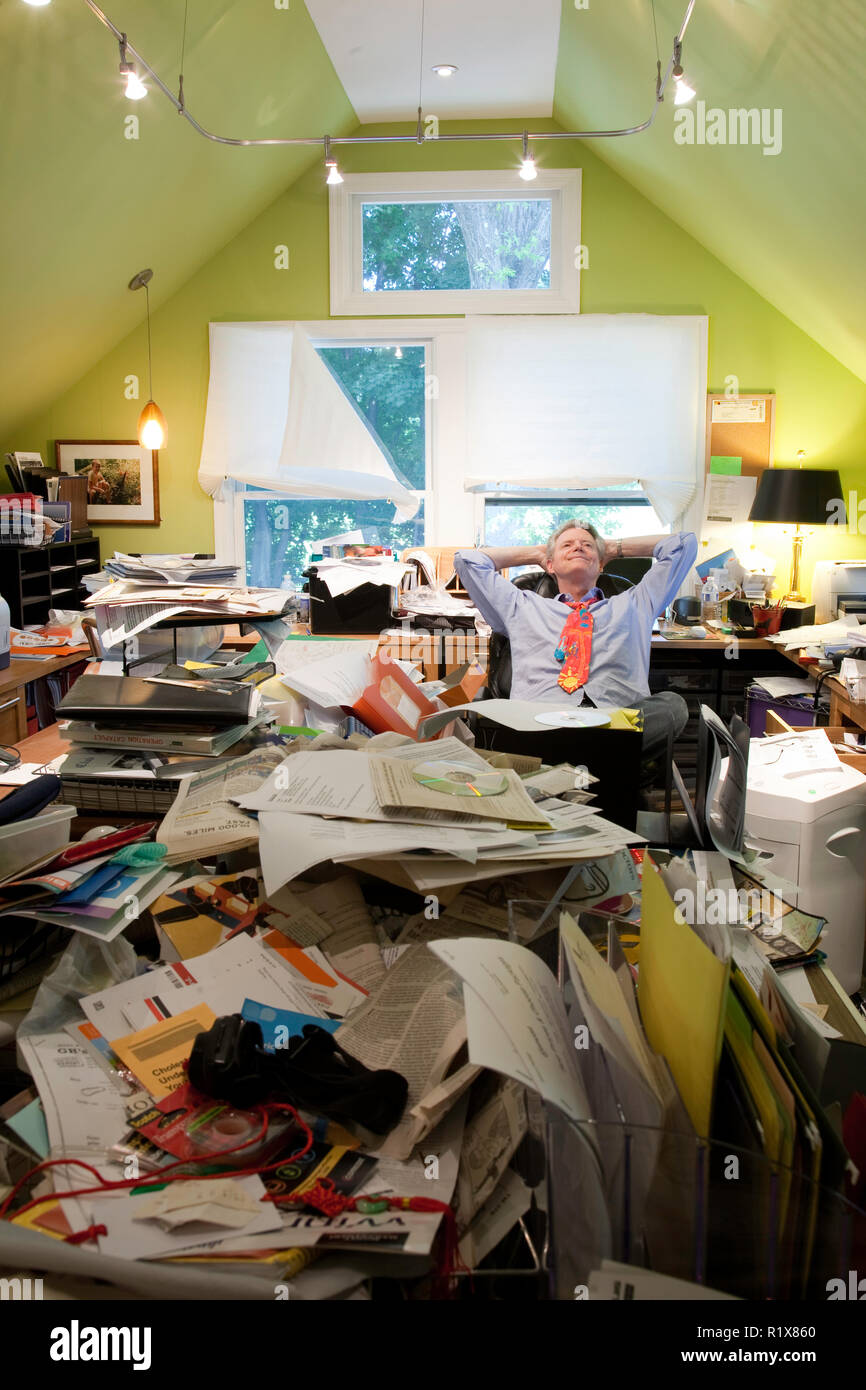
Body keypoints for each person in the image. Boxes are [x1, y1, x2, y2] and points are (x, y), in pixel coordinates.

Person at [453, 521, 699, 763]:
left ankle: (578, 758)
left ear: (601, 563)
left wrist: (613, 548)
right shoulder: (521, 606)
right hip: (542, 720)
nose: (578, 547)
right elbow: (467, 560)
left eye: (587, 546)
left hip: (615, 721)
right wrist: (537, 553)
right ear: (549, 564)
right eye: (567, 545)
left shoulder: (636, 603)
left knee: (672, 706)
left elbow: (683, 545)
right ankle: (596, 760)